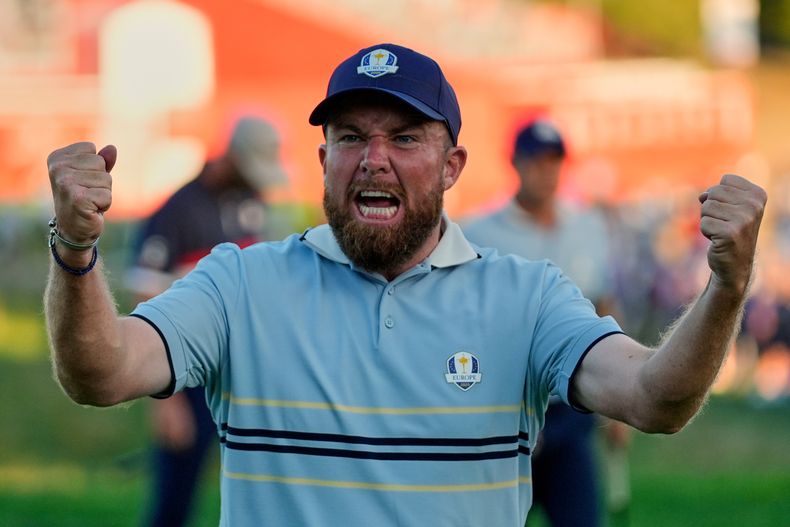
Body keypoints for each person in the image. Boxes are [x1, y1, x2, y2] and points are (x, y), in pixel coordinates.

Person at [44, 43, 766, 527]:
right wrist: (76, 247)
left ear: (452, 165)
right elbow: (100, 371)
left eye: (405, 137)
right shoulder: (239, 282)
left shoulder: (527, 296)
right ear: (323, 159)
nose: (374, 159)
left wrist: (726, 290)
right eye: (352, 137)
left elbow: (653, 397)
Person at [463, 119, 629, 527]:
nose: (547, 172)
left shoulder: (587, 226)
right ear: (516, 164)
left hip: (571, 406)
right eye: (537, 162)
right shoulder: (479, 233)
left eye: (555, 162)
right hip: (507, 409)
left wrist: (621, 403)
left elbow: (604, 306)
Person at [124, 116, 287, 527]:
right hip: (187, 376)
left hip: (242, 375)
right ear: (230, 156)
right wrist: (166, 402)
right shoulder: (176, 210)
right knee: (174, 502)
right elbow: (147, 300)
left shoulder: (251, 200)